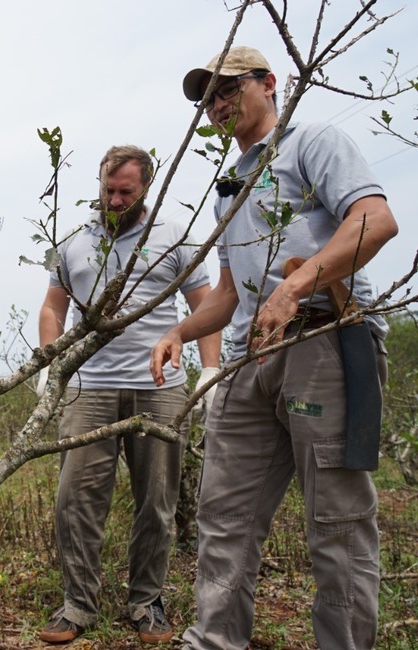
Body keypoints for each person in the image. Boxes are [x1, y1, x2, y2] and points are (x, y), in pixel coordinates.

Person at [151, 46, 398, 650]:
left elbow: (375, 219)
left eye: (229, 88)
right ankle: (213, 639)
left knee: (336, 522)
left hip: (325, 335)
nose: (217, 104)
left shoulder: (312, 142)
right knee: (224, 513)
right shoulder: (230, 185)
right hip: (250, 353)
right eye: (208, 97)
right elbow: (231, 293)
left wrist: (295, 286)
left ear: (270, 83)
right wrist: (180, 332)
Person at [36, 145, 221, 645]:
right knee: (76, 499)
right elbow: (53, 308)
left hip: (159, 388)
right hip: (88, 386)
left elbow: (204, 304)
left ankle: (147, 602)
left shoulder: (176, 239)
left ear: (146, 189)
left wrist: (210, 368)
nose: (114, 200)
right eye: (108, 190)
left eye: (126, 192)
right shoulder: (74, 241)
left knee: (156, 500)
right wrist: (51, 360)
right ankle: (77, 604)